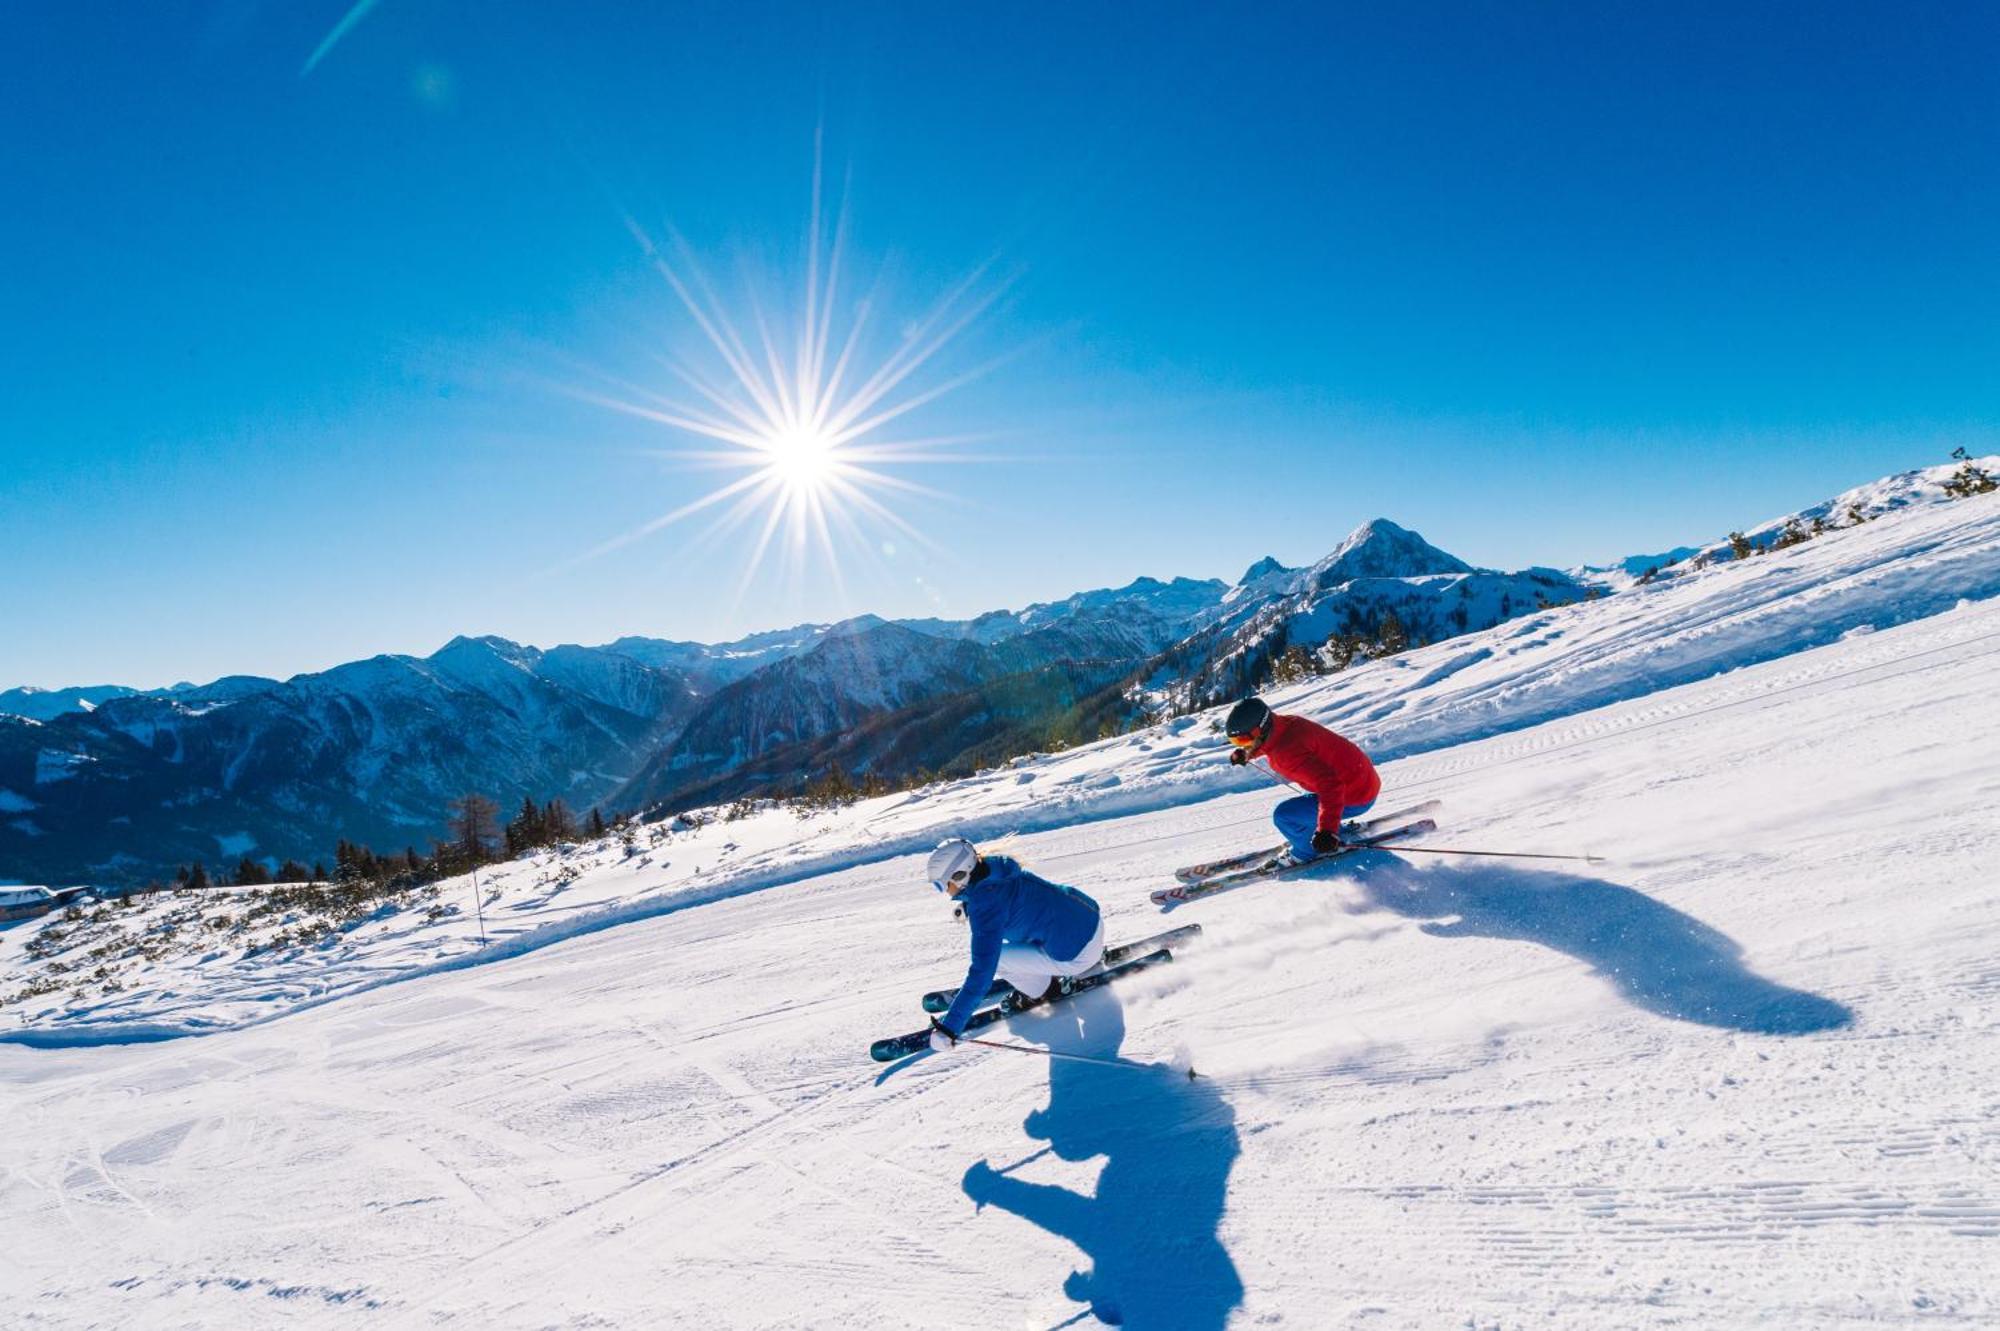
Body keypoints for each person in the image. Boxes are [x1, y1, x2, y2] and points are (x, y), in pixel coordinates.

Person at [925, 837, 1106, 1054]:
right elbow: (1007, 900)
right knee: (1023, 929)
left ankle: (1044, 990)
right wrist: (969, 903)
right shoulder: (996, 867)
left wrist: (950, 1027)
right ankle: (1058, 966)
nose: (943, 891)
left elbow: (982, 972)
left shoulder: (986, 908)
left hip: (1077, 955)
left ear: (960, 875)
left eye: (941, 884)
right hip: (1091, 921)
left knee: (998, 960)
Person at [1224, 695, 1381, 865]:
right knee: (1305, 802)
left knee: (1285, 816)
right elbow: (1275, 742)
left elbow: (1331, 785)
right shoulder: (1286, 724)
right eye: (1235, 741)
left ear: (1261, 728)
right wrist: (1249, 752)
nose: (1241, 744)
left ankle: (1305, 852)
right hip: (1362, 780)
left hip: (1355, 796)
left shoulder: (1287, 754)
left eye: (1243, 740)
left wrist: (1327, 831)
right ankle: (1337, 830)